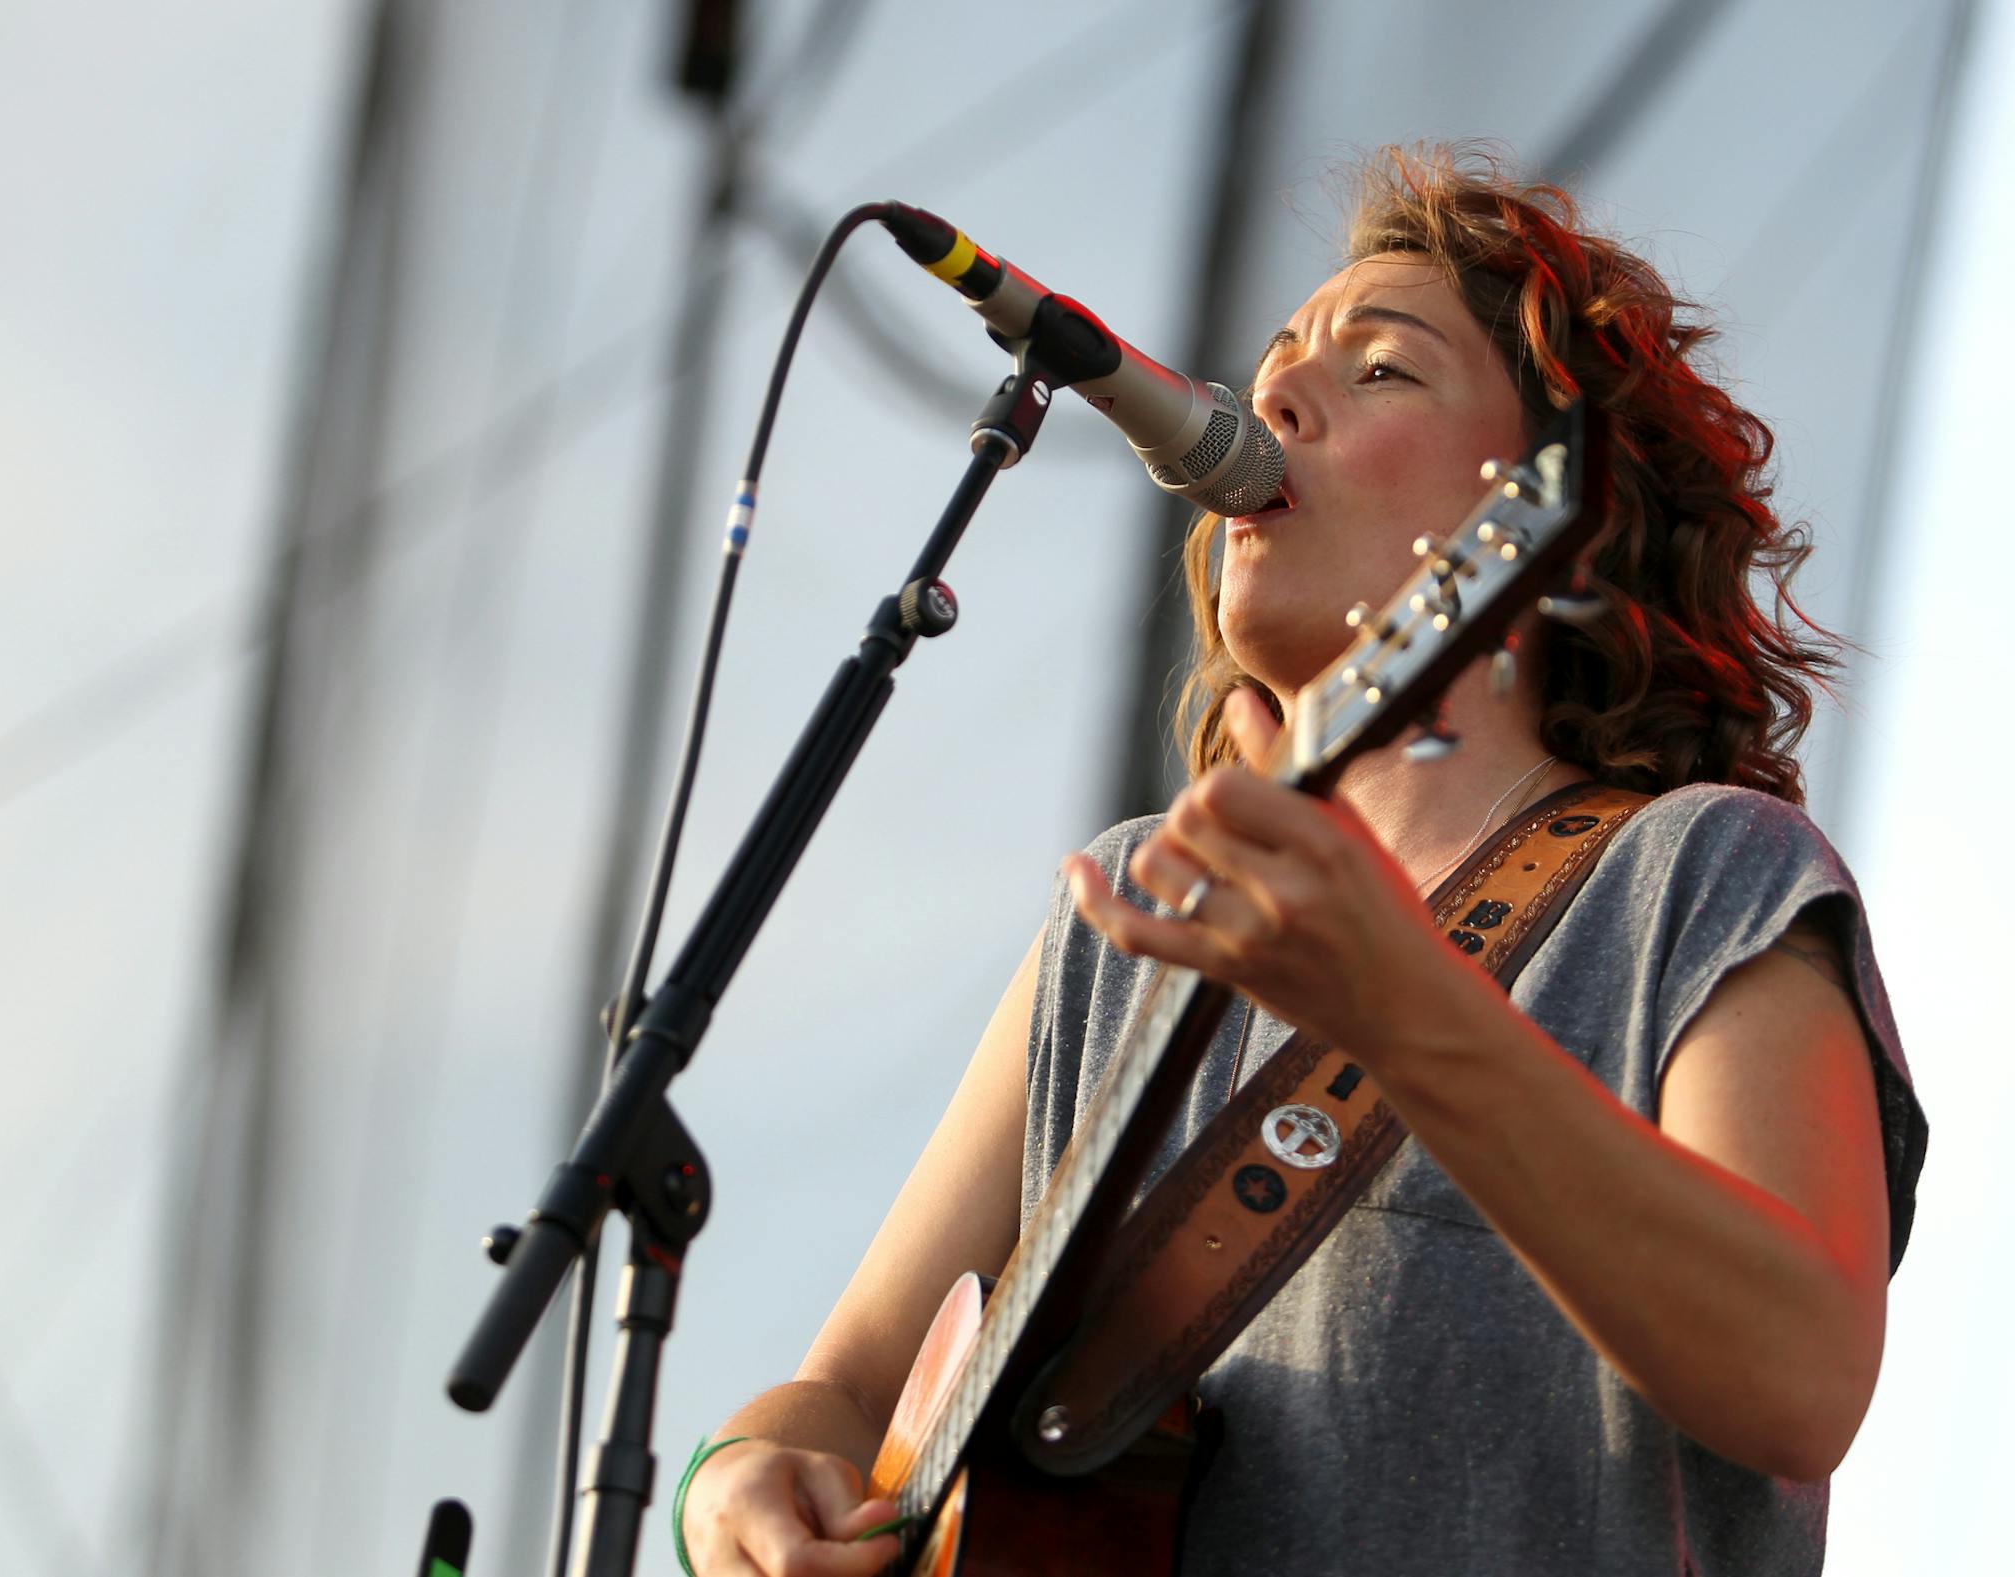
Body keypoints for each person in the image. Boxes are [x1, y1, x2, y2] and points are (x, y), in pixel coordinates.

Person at [676, 144, 1926, 1576]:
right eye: (1277, 363)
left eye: (1383, 369)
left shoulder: (1702, 879)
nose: (1269, 398)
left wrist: (1404, 1003)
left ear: (1554, 512)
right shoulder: (1126, 915)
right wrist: (737, 1484)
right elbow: (840, 1387)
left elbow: (1800, 1369)